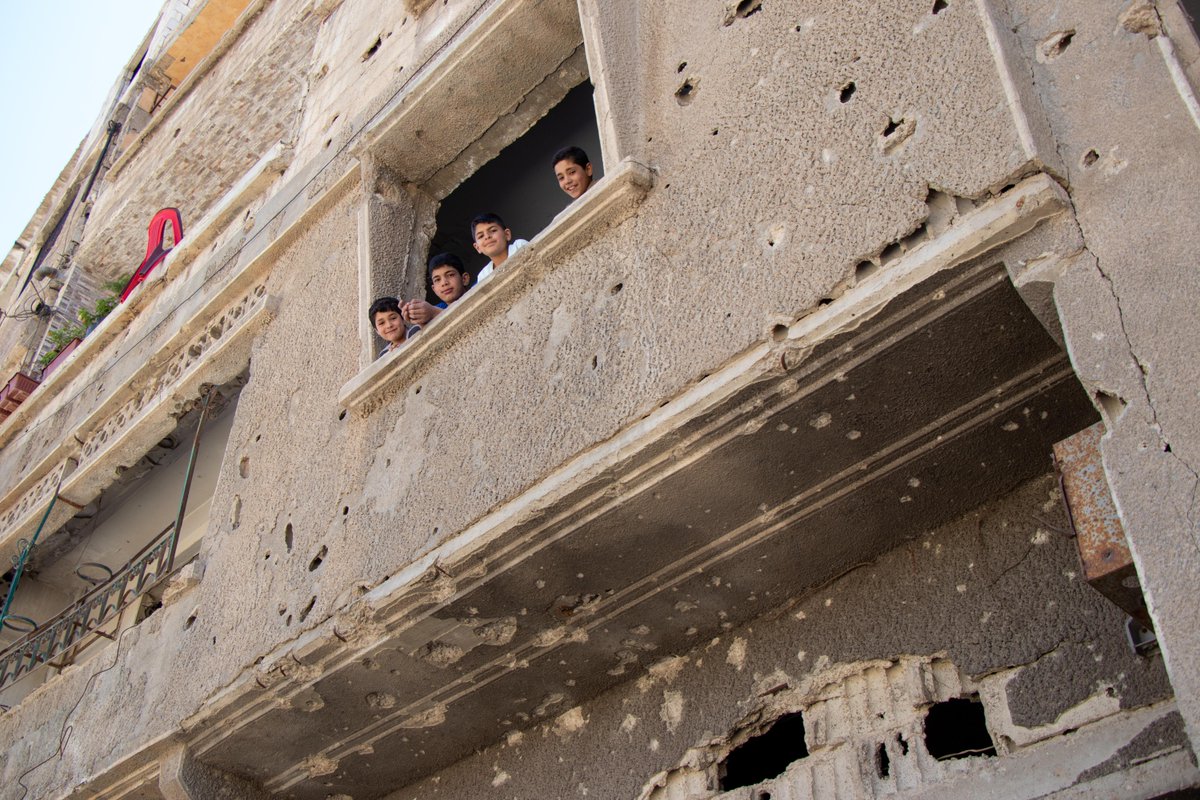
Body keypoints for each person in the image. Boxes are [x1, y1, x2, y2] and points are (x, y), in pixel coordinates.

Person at [403, 253, 471, 328]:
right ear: (434, 289)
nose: (444, 283)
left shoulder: (480, 291)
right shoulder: (439, 307)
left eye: (450, 275)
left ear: (464, 279)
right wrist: (421, 323)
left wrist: (434, 313)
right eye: (437, 279)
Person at [471, 212, 528, 284]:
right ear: (477, 248)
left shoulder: (519, 246)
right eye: (481, 236)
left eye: (493, 230)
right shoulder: (483, 276)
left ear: (507, 234)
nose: (487, 236)